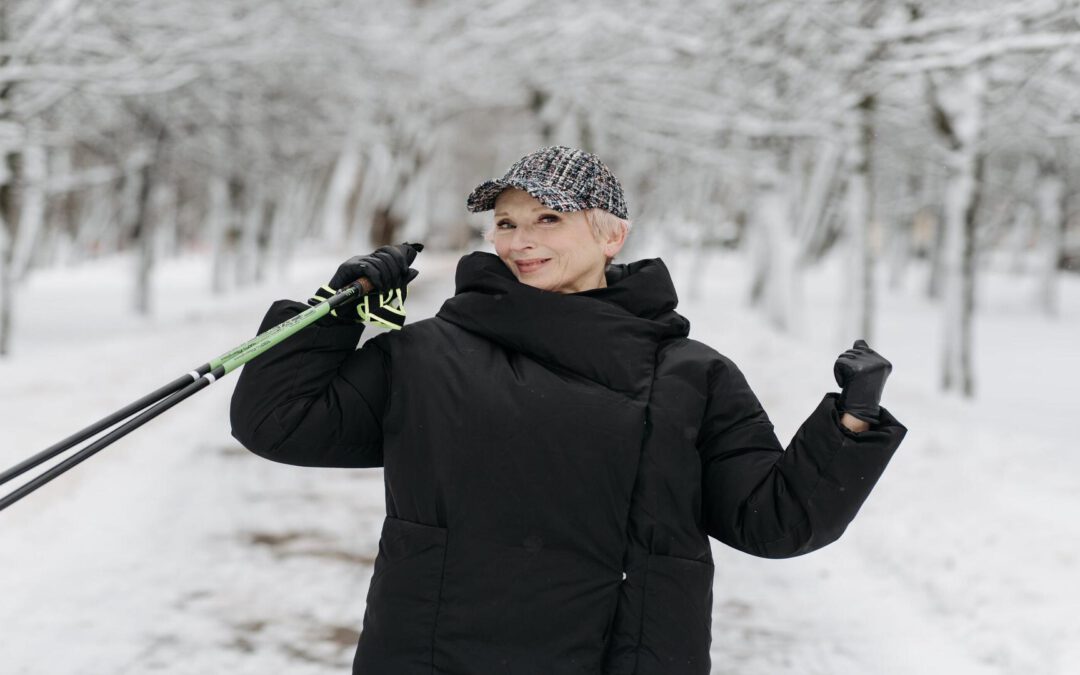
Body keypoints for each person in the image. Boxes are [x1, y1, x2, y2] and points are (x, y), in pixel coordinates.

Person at [230, 145, 907, 675]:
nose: (521, 239)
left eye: (548, 218)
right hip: (435, 656)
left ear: (611, 235)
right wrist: (330, 313)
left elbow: (773, 520)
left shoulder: (691, 375)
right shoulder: (429, 354)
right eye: (506, 222)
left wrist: (851, 421)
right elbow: (278, 419)